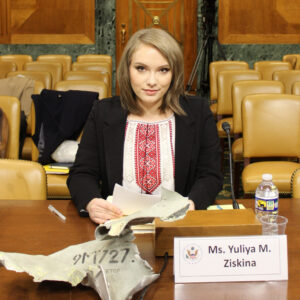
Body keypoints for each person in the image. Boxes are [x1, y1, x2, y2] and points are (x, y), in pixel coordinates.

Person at [67, 28, 223, 224]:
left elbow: (211, 175)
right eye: (141, 68)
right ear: (127, 69)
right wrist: (91, 202)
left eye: (163, 70)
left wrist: (192, 204)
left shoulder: (198, 112)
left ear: (174, 73)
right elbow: (81, 174)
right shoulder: (103, 112)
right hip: (118, 227)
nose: (151, 81)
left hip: (178, 226)